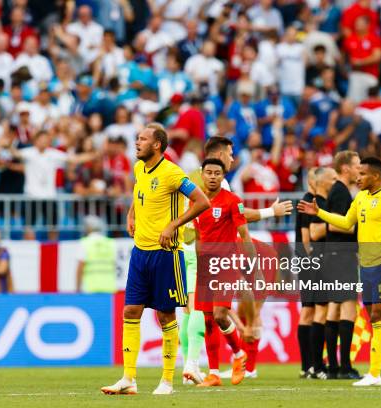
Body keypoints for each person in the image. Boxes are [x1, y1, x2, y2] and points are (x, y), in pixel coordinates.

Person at [101, 123, 210, 395]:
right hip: (140, 253)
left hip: (166, 254)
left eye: (143, 139)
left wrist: (174, 225)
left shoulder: (172, 173)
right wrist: (131, 214)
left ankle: (167, 381)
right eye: (137, 138)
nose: (137, 142)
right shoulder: (139, 168)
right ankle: (128, 379)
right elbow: (140, 192)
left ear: (157, 145)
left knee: (166, 315)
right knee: (130, 311)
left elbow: (201, 201)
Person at [180, 136, 292, 384]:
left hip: (219, 259)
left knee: (206, 314)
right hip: (199, 258)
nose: (232, 158)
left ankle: (219, 362)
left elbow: (241, 227)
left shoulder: (197, 184)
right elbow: (202, 232)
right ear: (218, 155)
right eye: (230, 154)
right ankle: (214, 368)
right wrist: (270, 211)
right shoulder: (198, 192)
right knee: (202, 316)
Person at [298, 157, 381, 386]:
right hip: (366, 265)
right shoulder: (360, 198)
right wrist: (319, 213)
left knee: (378, 316)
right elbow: (346, 222)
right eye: (357, 173)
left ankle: (373, 373)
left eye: (363, 174)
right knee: (375, 318)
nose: (358, 178)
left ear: (376, 176)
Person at [193, 158, 254, 387]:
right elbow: (199, 238)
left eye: (217, 173)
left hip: (226, 264)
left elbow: (244, 234)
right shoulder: (195, 202)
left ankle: (239, 354)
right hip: (205, 267)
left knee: (220, 315)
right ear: (202, 174)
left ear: (223, 176)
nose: (212, 176)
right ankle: (214, 373)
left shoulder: (232, 201)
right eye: (208, 172)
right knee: (208, 321)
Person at [323, 151, 362, 380]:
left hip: (334, 254)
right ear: (346, 168)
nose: (360, 170)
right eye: (357, 166)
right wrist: (361, 229)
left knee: (334, 308)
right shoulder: (340, 192)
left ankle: (334, 367)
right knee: (347, 307)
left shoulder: (339, 190)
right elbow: (338, 226)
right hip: (341, 255)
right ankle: (345, 366)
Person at [306, 166, 337, 380]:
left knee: (321, 312)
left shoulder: (320, 204)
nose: (336, 181)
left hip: (320, 262)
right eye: (332, 178)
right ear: (323, 181)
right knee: (322, 313)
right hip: (323, 261)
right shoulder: (321, 204)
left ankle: (316, 366)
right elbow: (314, 233)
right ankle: (318, 366)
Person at [296, 167, 316, 378]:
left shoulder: (308, 200)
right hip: (310, 262)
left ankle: (309, 365)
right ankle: (308, 364)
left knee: (310, 312)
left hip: (307, 261)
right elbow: (306, 237)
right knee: (309, 311)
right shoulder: (308, 201)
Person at [76, 215, 117, 293]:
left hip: (91, 288)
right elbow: (115, 265)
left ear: (88, 228)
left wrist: (77, 289)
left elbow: (80, 268)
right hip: (109, 288)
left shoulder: (84, 243)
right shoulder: (111, 243)